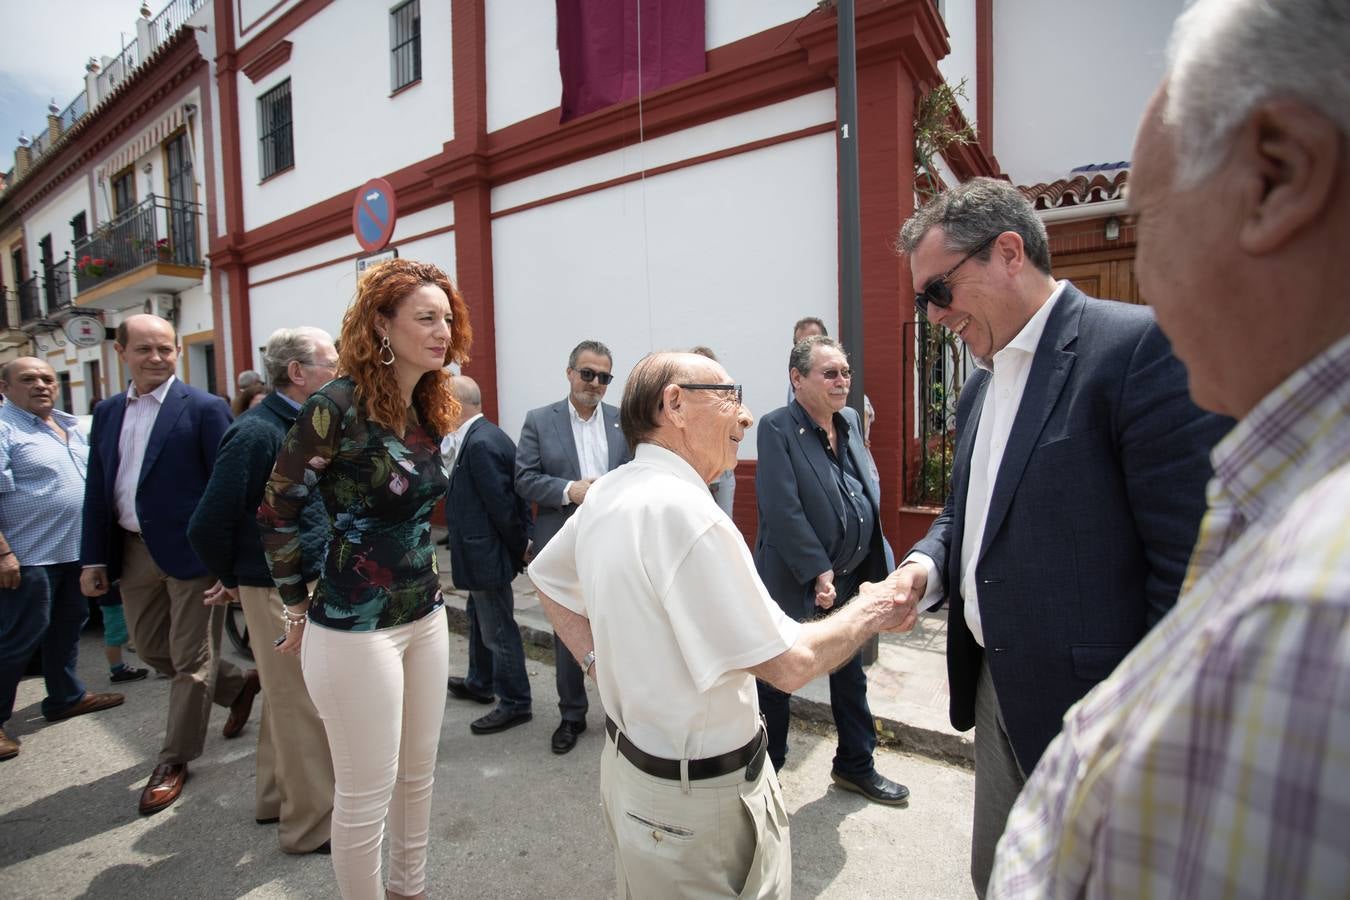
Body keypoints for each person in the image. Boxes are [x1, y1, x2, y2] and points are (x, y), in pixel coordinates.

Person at [990, 1, 1350, 895]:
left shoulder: (1313, 610)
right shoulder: (1280, 498)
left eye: (1146, 223)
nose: (1141, 275)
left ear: (1276, 175)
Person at [889, 177, 1230, 896]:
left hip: (1098, 712)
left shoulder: (1137, 350)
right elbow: (966, 516)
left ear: (1009, 252)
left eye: (938, 291)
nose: (931, 316)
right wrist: (924, 565)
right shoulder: (981, 386)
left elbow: (1193, 575)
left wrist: (1145, 733)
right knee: (1002, 876)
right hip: (992, 685)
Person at [529, 351, 920, 898]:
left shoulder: (610, 491)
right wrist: (876, 607)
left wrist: (599, 664)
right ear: (675, 404)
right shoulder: (689, 515)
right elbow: (791, 664)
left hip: (635, 780)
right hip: (697, 805)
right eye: (730, 396)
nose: (746, 416)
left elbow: (545, 577)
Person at [258, 259, 470, 900]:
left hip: (425, 614)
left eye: (446, 318)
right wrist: (295, 604)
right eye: (425, 318)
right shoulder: (335, 406)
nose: (442, 331)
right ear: (382, 324)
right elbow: (277, 508)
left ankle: (411, 890)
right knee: (366, 792)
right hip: (355, 628)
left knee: (418, 777)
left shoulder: (430, 401)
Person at [79, 315, 258, 815]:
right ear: (122, 354)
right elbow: (98, 486)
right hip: (133, 549)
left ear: (178, 350)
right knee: (152, 649)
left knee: (190, 662)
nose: (156, 358)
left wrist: (232, 564)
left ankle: (174, 759)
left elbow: (233, 491)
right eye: (145, 350)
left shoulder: (203, 408)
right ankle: (239, 682)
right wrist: (93, 556)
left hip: (193, 554)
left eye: (165, 349)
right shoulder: (108, 411)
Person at [187, 327, 338, 855]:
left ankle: (277, 798)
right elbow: (207, 524)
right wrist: (234, 577)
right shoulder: (256, 433)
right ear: (297, 373)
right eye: (330, 363)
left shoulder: (301, 424)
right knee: (302, 704)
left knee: (283, 700)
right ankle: (311, 826)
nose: (338, 371)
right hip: (277, 586)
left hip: (293, 580)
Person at [753, 335, 908, 804]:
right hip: (794, 578)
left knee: (849, 671)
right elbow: (781, 509)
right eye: (830, 373)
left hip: (850, 574)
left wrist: (880, 564)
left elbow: (867, 487)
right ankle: (768, 774)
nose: (842, 381)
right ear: (797, 379)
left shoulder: (852, 420)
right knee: (779, 677)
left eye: (845, 372)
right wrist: (817, 569)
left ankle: (855, 764)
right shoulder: (776, 427)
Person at [0, 358, 124, 762]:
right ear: (5, 386)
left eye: (47, 378)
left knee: (68, 627)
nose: (40, 385)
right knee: (19, 638)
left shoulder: (71, 426)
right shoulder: (5, 429)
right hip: (29, 556)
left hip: (75, 553)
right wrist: (3, 553)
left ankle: (65, 696)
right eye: (28, 379)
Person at [514, 339, 630, 755]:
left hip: (615, 540)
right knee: (569, 630)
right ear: (569, 373)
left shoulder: (623, 420)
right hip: (563, 539)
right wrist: (570, 489)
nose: (595, 383)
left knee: (618, 625)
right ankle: (572, 714)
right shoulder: (540, 420)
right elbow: (524, 478)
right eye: (587, 373)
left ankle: (622, 713)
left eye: (604, 377)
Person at [443, 375, 534, 735]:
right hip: (479, 554)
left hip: (488, 556)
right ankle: (480, 682)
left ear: (455, 405)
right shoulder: (478, 437)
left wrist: (520, 548)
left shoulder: (481, 442)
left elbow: (504, 506)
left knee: (497, 627)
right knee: (478, 616)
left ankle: (515, 702)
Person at [689, 346, 737, 517]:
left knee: (724, 522)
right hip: (694, 474)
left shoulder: (726, 396)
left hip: (722, 475)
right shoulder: (684, 399)